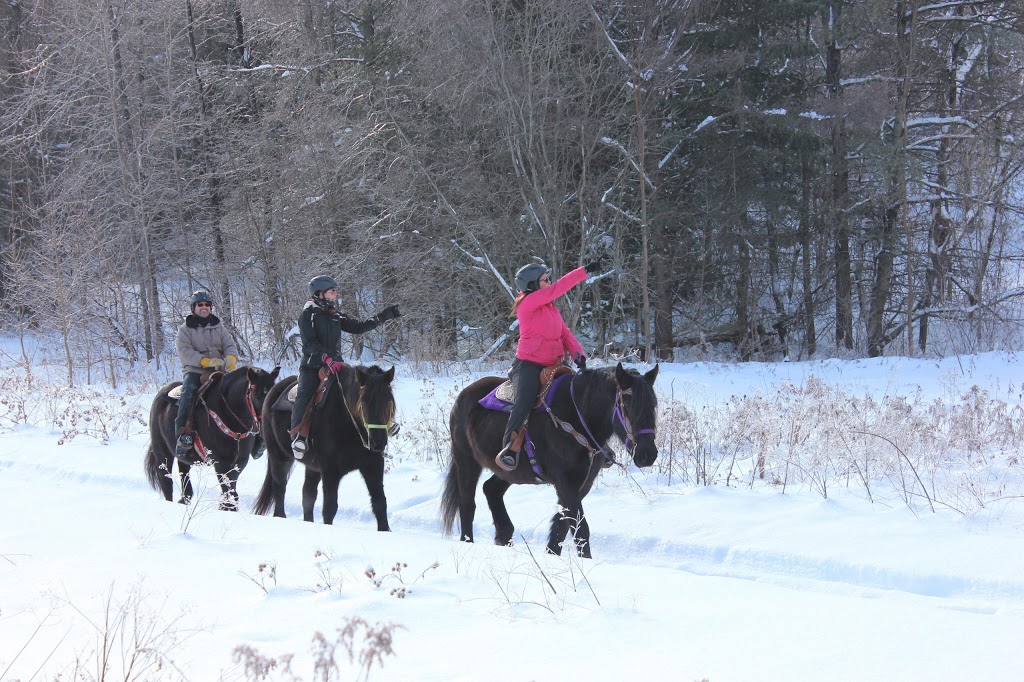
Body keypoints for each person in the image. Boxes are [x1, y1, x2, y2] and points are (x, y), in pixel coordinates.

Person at [495, 255, 607, 472]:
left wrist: (577, 353)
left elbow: (564, 333)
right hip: (529, 365)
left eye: (547, 279)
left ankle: (594, 446)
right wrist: (584, 271)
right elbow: (558, 288)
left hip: (556, 365)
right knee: (523, 403)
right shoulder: (528, 303)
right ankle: (509, 449)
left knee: (579, 399)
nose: (548, 282)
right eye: (545, 279)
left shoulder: (550, 308)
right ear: (532, 284)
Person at [290, 275, 402, 459]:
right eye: (332, 291)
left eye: (335, 291)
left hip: (337, 366)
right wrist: (326, 357)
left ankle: (384, 424)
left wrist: (384, 316)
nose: (335, 294)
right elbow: (309, 344)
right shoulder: (308, 315)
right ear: (320, 293)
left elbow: (358, 327)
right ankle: (299, 437)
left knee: (367, 385)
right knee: (304, 393)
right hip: (312, 367)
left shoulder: (334, 315)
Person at [174, 290, 239, 460]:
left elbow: (229, 344)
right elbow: (184, 351)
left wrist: (231, 359)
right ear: (194, 308)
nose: (204, 308)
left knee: (241, 391)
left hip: (219, 370)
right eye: (200, 305)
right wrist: (204, 362)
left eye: (207, 305)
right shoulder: (185, 330)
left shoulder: (219, 327)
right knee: (188, 393)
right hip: (195, 371)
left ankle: (253, 433)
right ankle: (183, 434)